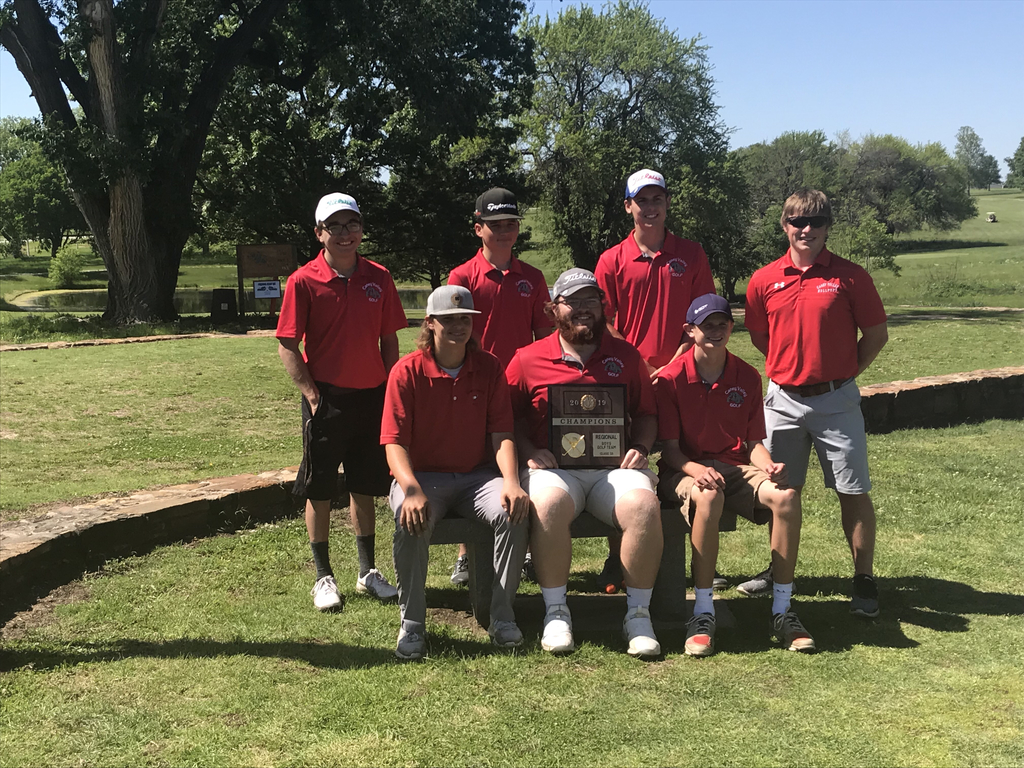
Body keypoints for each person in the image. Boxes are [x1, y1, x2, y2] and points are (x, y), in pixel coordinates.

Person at [743, 189, 889, 618]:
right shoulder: (763, 279)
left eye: (816, 222)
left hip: (836, 401)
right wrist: (790, 370)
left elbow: (876, 337)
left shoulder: (850, 276)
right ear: (784, 225)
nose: (806, 230)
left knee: (853, 489)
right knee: (781, 490)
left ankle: (863, 578)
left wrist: (842, 375)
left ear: (828, 226)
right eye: (797, 221)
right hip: (783, 400)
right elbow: (759, 338)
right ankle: (778, 571)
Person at [506, 268, 663, 658]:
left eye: (591, 301)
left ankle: (638, 614)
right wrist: (528, 449)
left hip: (614, 469)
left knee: (643, 505)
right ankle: (557, 611)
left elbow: (646, 413)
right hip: (553, 470)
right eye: (572, 301)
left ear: (603, 307)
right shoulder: (527, 359)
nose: (583, 309)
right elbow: (505, 419)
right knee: (549, 504)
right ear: (553, 309)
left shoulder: (626, 356)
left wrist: (641, 447)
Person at [657, 294, 814, 656]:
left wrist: (768, 466)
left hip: (734, 465)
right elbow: (670, 451)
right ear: (689, 330)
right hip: (684, 469)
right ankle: (702, 612)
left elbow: (753, 443)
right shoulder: (669, 379)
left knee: (787, 496)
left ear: (732, 327)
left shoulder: (746, 374)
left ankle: (782, 610)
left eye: (722, 324)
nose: (716, 331)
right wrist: (699, 471)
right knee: (709, 495)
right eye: (707, 324)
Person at [382, 285, 531, 659]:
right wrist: (411, 488)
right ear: (430, 324)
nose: (458, 326)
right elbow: (393, 442)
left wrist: (511, 482)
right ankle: (412, 625)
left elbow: (502, 434)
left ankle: (502, 617)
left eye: (464, 319)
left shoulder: (489, 366)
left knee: (512, 510)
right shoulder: (407, 371)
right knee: (410, 517)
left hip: (477, 477)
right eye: (448, 320)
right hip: (422, 477)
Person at [277, 192, 408, 612]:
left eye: (352, 224)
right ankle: (322, 576)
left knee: (364, 485)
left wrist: (390, 389)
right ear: (320, 233)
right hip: (326, 397)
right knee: (319, 489)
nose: (345, 233)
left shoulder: (379, 277)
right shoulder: (304, 280)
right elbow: (287, 344)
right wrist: (313, 396)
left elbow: (390, 340)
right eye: (335, 226)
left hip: (371, 395)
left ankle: (367, 571)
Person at [593, 168, 717, 594]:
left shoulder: (692, 254)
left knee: (685, 459)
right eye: (641, 200)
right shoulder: (611, 259)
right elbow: (602, 321)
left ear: (667, 203)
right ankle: (618, 558)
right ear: (628, 206)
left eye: (657, 199)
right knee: (624, 464)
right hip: (626, 378)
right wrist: (634, 365)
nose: (650, 208)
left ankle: (691, 557)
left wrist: (675, 363)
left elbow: (702, 314)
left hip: (683, 376)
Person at [445, 188, 553, 586]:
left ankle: (522, 551)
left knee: (522, 466)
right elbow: (453, 337)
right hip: (475, 387)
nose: (505, 232)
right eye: (495, 226)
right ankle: (465, 555)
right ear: (479, 228)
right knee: (472, 466)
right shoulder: (463, 277)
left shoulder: (533, 278)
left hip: (522, 389)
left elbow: (544, 337)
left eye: (511, 225)